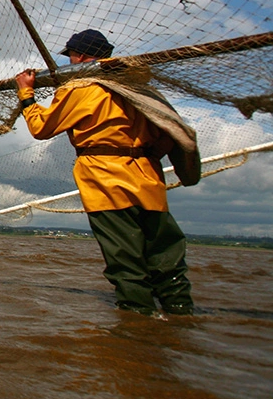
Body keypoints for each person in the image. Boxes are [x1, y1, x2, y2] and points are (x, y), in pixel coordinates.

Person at [15, 28, 199, 315]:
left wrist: (26, 93)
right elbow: (167, 133)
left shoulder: (82, 89)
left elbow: (41, 128)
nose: (71, 63)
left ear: (84, 56)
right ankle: (181, 315)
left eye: (73, 56)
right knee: (166, 255)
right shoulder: (139, 88)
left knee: (125, 258)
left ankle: (137, 326)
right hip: (148, 182)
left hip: (106, 184)